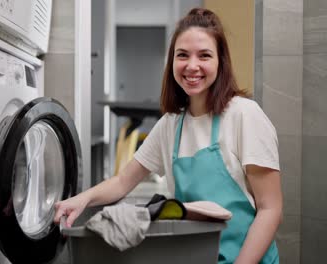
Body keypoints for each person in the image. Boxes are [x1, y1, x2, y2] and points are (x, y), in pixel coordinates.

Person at [54, 7, 282, 264]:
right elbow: (123, 181)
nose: (192, 66)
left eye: (204, 55)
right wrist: (81, 199)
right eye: (182, 55)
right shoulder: (170, 125)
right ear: (172, 61)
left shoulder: (244, 115)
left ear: (221, 61)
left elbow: (270, 209)